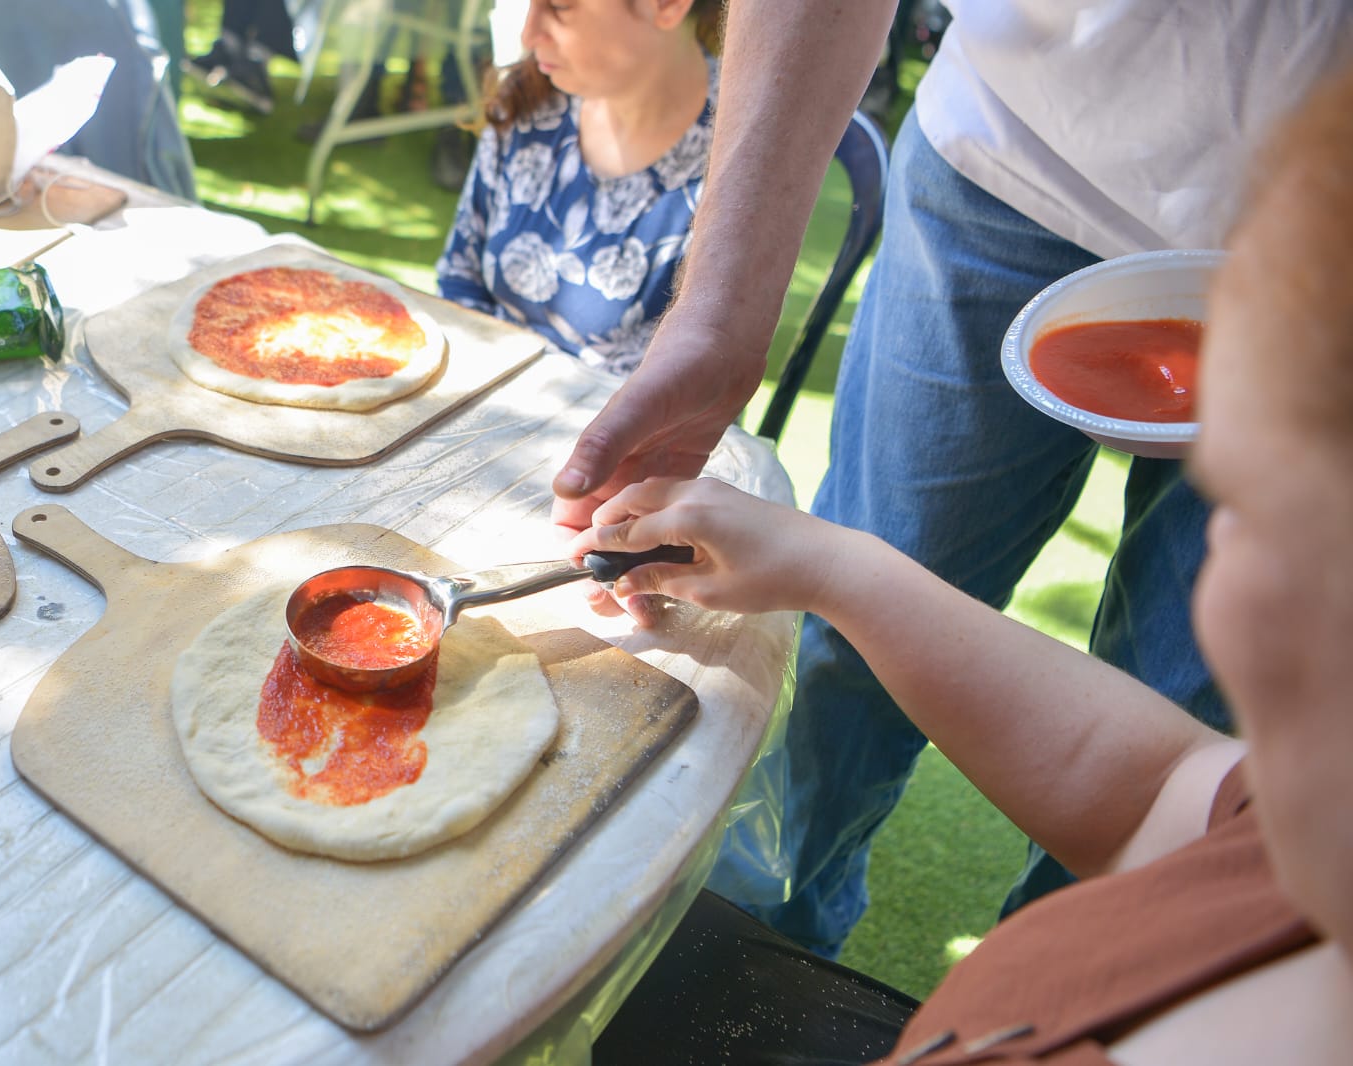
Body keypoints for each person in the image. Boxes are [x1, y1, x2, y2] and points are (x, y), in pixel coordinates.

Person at [576, 62, 1353, 1061]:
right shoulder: (1288, 836)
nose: (1218, 540)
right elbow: (1158, 788)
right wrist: (832, 567)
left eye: (1257, 502)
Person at [434, 0, 722, 376]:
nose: (528, 33)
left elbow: (695, 385)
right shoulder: (532, 98)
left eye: (559, 5)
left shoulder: (736, 158)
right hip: (487, 400)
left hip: (617, 430)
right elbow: (460, 279)